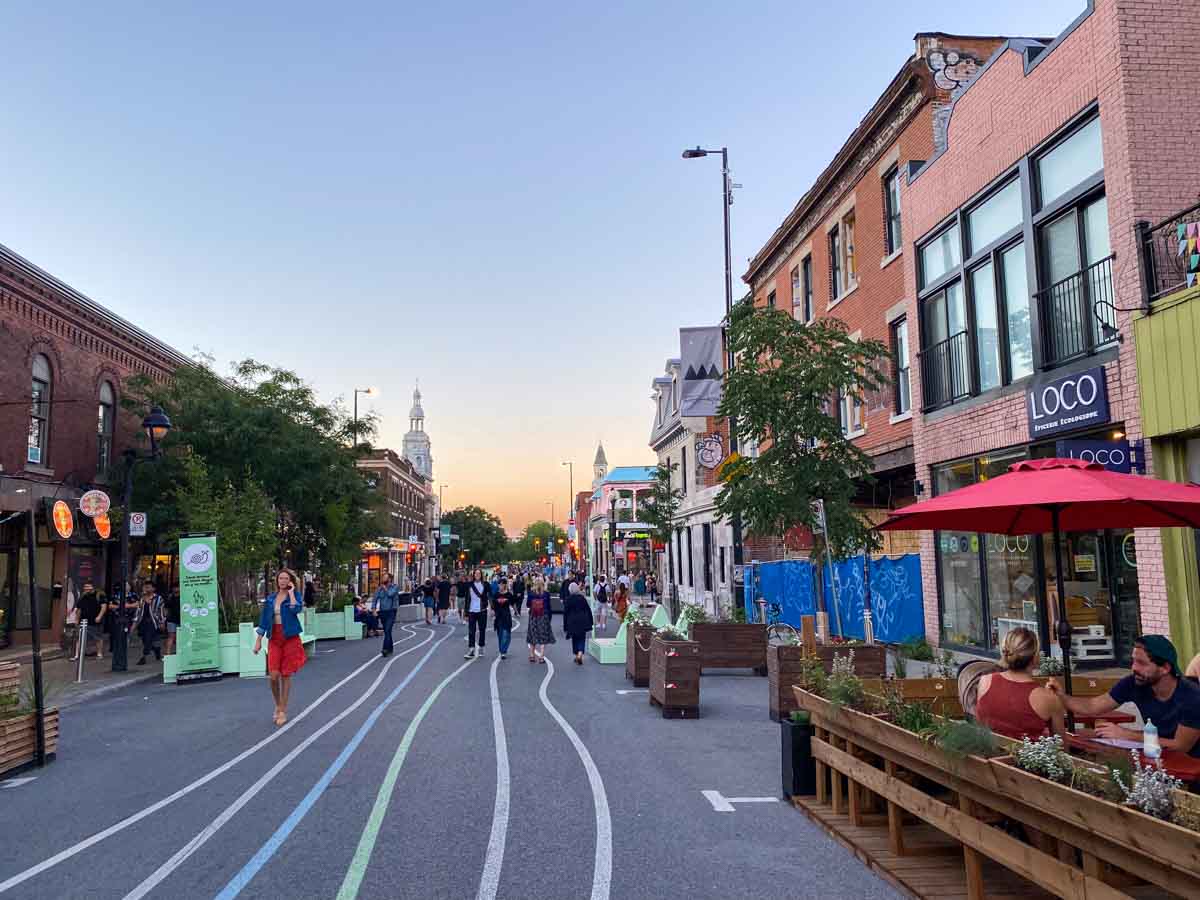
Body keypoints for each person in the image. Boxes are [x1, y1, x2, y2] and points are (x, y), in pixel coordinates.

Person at [1049, 634, 1200, 757]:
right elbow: (1093, 706)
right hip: (1157, 753)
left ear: (1165, 668)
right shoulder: (1135, 683)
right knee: (1085, 739)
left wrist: (1127, 734)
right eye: (1133, 661)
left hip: (1191, 763)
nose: (1134, 667)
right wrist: (1061, 696)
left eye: (1141, 663)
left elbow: (1180, 746)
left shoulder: (1192, 696)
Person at [974, 628, 1064, 740]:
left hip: (986, 754)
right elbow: (1062, 748)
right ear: (1035, 658)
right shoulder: (1049, 699)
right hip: (1026, 756)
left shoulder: (985, 681)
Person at [253, 569, 307, 726]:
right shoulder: (270, 599)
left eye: (286, 578)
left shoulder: (295, 595)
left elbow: (295, 609)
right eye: (280, 578)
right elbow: (264, 620)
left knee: (286, 674)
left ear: (290, 581)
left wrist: (291, 592)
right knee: (273, 675)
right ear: (277, 581)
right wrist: (258, 641)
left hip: (290, 637)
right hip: (274, 638)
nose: (282, 581)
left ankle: (283, 710)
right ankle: (278, 704)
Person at [130, 581, 166, 666]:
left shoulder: (158, 598)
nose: (147, 589)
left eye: (149, 587)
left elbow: (161, 611)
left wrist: (162, 622)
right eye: (146, 587)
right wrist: (134, 624)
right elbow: (138, 612)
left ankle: (144, 657)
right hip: (143, 622)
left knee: (148, 639)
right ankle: (156, 650)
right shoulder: (142, 599)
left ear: (153, 588)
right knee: (145, 639)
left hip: (153, 622)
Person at [71, 580, 107, 661]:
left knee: (97, 637)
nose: (86, 588)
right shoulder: (83, 596)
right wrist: (77, 619)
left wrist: (99, 616)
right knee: (79, 637)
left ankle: (99, 653)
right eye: (85, 587)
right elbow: (79, 609)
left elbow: (104, 607)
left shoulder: (99, 595)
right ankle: (77, 655)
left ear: (92, 587)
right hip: (83, 621)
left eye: (88, 586)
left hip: (95, 621)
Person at [562, 582, 594, 666]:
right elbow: (588, 609)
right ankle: (580, 653)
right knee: (582, 637)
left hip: (572, 622)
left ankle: (576, 654)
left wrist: (565, 626)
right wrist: (591, 621)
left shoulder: (568, 599)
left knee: (575, 638)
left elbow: (565, 613)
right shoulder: (582, 598)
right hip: (582, 621)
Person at [525, 576, 556, 663]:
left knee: (532, 635)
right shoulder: (546, 594)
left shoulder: (531, 593)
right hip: (543, 616)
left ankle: (532, 655)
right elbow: (549, 607)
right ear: (543, 584)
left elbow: (528, 605)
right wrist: (549, 617)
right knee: (543, 636)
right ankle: (541, 656)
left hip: (533, 616)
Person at [373, 573, 401, 656]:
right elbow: (375, 599)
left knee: (388, 629)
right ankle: (390, 648)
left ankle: (385, 649)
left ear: (389, 579)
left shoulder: (395, 587)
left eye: (385, 577)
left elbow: (390, 594)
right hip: (383, 612)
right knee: (387, 631)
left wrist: (384, 588)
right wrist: (374, 609)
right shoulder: (379, 589)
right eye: (383, 577)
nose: (383, 579)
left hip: (391, 611)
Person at [465, 569, 490, 659]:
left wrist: (493, 608)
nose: (477, 575)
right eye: (476, 573)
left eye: (479, 573)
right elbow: (467, 599)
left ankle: (481, 647)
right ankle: (471, 649)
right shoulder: (469, 585)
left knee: (482, 630)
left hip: (482, 610)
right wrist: (466, 613)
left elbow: (490, 596)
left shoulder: (486, 584)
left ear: (481, 575)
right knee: (471, 631)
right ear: (474, 575)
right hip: (471, 611)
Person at [491, 578, 514, 660]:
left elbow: (512, 603)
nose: (499, 586)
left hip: (507, 616)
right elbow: (493, 604)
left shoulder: (509, 595)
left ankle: (504, 650)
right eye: (498, 584)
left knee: (507, 634)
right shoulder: (496, 594)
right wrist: (492, 611)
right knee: (500, 634)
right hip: (498, 616)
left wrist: (516, 611)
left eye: (501, 584)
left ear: (505, 585)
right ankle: (502, 650)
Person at [163, 590, 180, 655]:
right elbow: (166, 609)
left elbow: (166, 609)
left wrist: (164, 619)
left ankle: (168, 653)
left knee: (171, 637)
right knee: (173, 637)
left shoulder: (170, 598)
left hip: (171, 620)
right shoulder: (183, 597)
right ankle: (169, 652)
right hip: (176, 620)